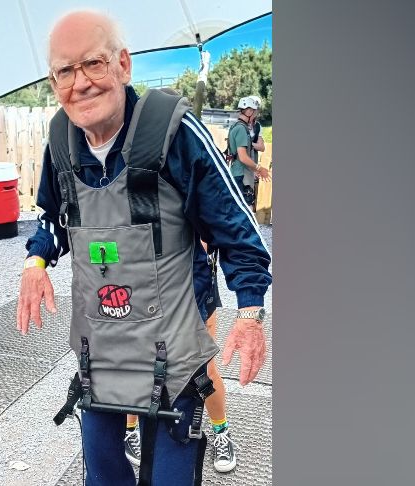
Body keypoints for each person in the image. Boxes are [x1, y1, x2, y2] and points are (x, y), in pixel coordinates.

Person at [16, 10, 271, 486]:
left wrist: (251, 315)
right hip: (101, 361)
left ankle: (216, 431)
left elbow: (238, 232)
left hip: (173, 357)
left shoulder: (175, 133)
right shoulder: (60, 141)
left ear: (124, 65)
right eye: (64, 71)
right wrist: (35, 262)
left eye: (93, 63)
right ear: (54, 82)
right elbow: (49, 214)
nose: (81, 83)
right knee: (103, 478)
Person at [124, 241, 237, 474]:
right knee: (135, 365)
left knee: (204, 369)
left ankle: (221, 431)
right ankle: (130, 430)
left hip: (194, 285)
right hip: (141, 285)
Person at [228, 97, 270, 205]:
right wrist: (259, 169)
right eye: (254, 111)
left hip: (236, 172)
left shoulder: (235, 126)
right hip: (242, 175)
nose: (255, 114)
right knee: (247, 208)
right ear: (249, 111)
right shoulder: (242, 129)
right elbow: (243, 157)